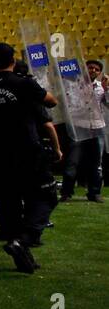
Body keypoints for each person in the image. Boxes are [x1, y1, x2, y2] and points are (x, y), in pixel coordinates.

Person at [0, 43, 58, 273]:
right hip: (27, 149)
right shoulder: (23, 83)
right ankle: (24, 241)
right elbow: (51, 101)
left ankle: (21, 253)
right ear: (13, 61)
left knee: (9, 204)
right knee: (45, 196)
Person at [60, 58, 105, 202]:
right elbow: (71, 104)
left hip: (97, 128)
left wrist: (108, 89)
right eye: (90, 68)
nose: (93, 71)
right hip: (79, 126)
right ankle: (66, 192)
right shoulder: (75, 85)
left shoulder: (102, 86)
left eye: (96, 69)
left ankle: (94, 192)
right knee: (72, 161)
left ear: (99, 73)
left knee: (96, 163)